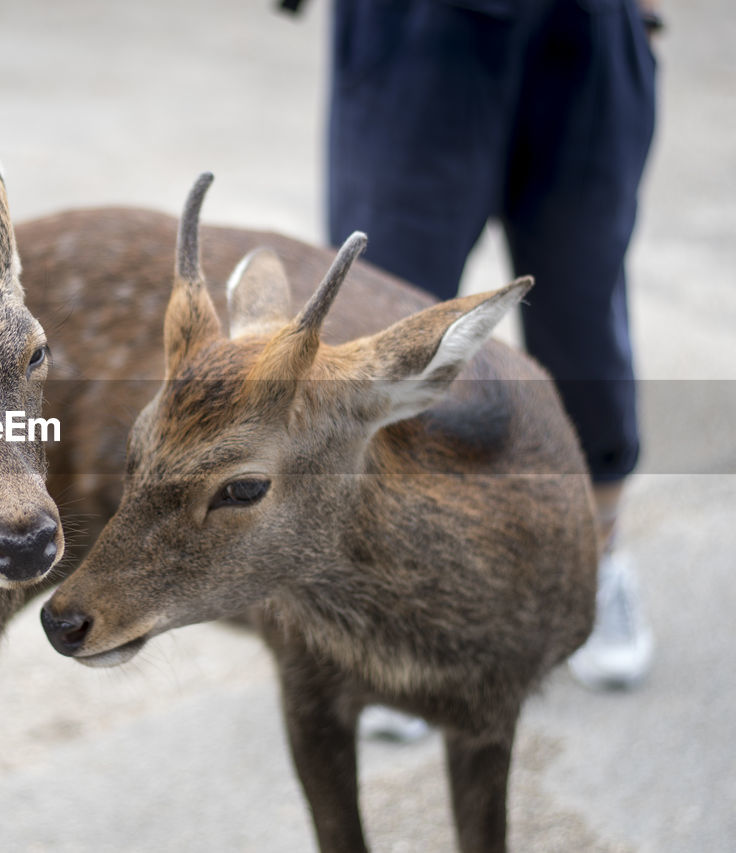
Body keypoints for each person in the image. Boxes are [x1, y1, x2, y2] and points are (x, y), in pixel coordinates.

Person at [281, 0, 660, 708]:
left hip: (585, 28)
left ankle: (596, 561)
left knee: (582, 309)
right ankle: (396, 603)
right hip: (415, 34)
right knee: (387, 311)